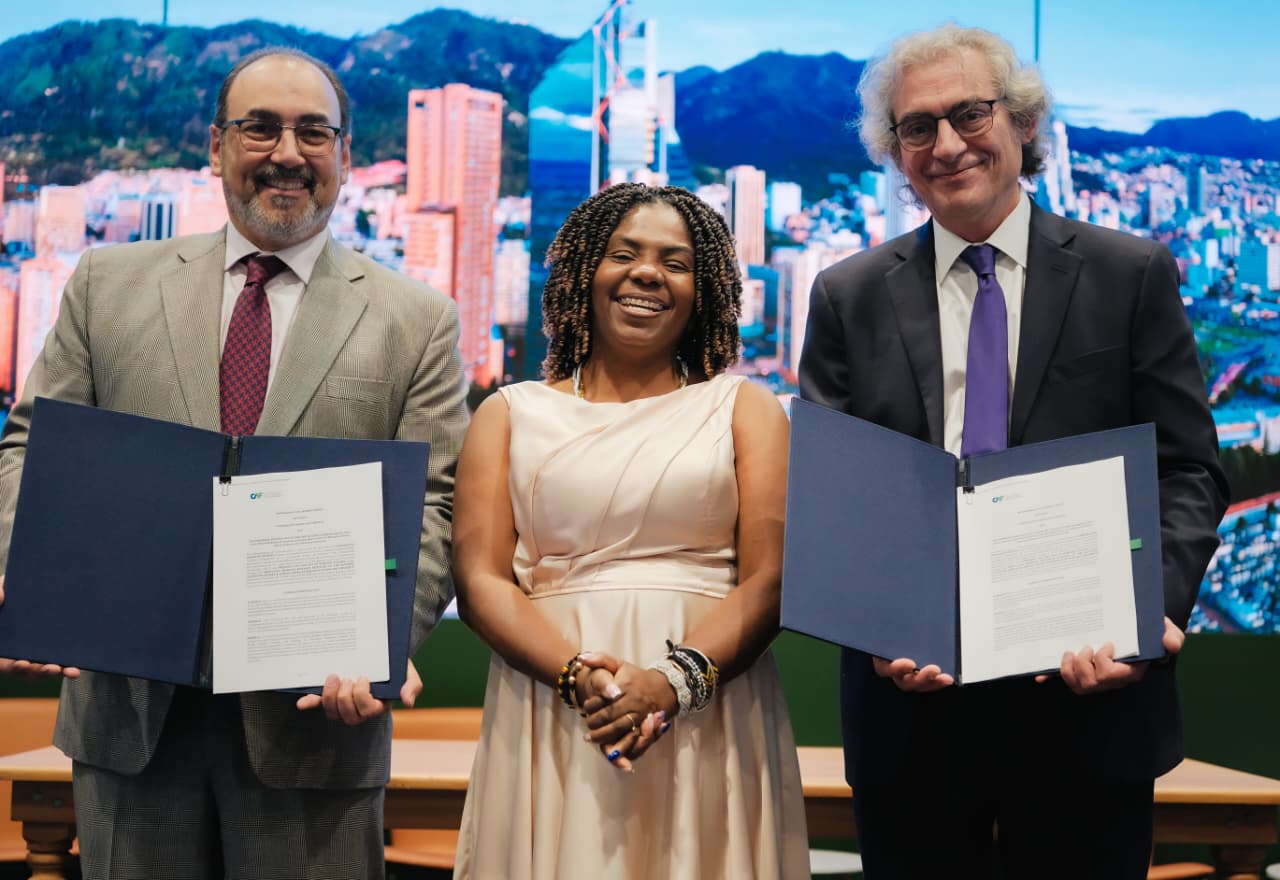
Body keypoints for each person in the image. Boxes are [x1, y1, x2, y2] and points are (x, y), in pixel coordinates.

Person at [0, 47, 469, 878]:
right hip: (128, 717)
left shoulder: (416, 319)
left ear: (345, 156)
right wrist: (37, 578)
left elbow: (436, 503)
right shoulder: (105, 285)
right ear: (216, 146)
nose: (287, 152)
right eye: (260, 128)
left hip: (318, 728)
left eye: (313, 132)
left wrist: (382, 639)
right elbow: (32, 451)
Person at [798, 24, 1228, 879]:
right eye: (917, 127)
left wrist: (1148, 612)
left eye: (969, 114)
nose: (947, 145)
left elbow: (1189, 470)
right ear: (895, 151)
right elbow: (833, 497)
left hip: (1089, 705)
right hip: (911, 719)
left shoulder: (1129, 273)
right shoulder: (847, 295)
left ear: (1022, 122)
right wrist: (882, 628)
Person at [451, 182, 808, 878]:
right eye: (626, 254)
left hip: (711, 713)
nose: (648, 273)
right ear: (586, 272)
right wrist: (576, 677)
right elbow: (479, 579)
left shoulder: (745, 408)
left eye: (675, 262)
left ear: (702, 290)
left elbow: (773, 578)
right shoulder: (509, 413)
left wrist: (675, 681)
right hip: (554, 710)